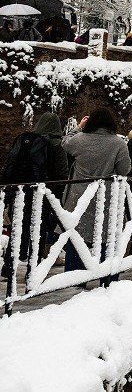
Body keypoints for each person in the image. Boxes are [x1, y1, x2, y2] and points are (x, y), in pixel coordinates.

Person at [62, 109, 131, 276]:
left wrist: (78, 127)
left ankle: (75, 279)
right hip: (105, 197)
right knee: (107, 236)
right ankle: (107, 278)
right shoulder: (118, 143)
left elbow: (65, 142)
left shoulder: (79, 140)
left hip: (79, 195)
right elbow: (124, 169)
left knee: (77, 236)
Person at [1, 113, 69, 277]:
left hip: (19, 190)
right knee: (39, 229)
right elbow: (61, 173)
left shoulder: (27, 141)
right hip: (41, 194)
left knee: (18, 226)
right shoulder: (57, 145)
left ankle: (9, 266)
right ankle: (33, 269)